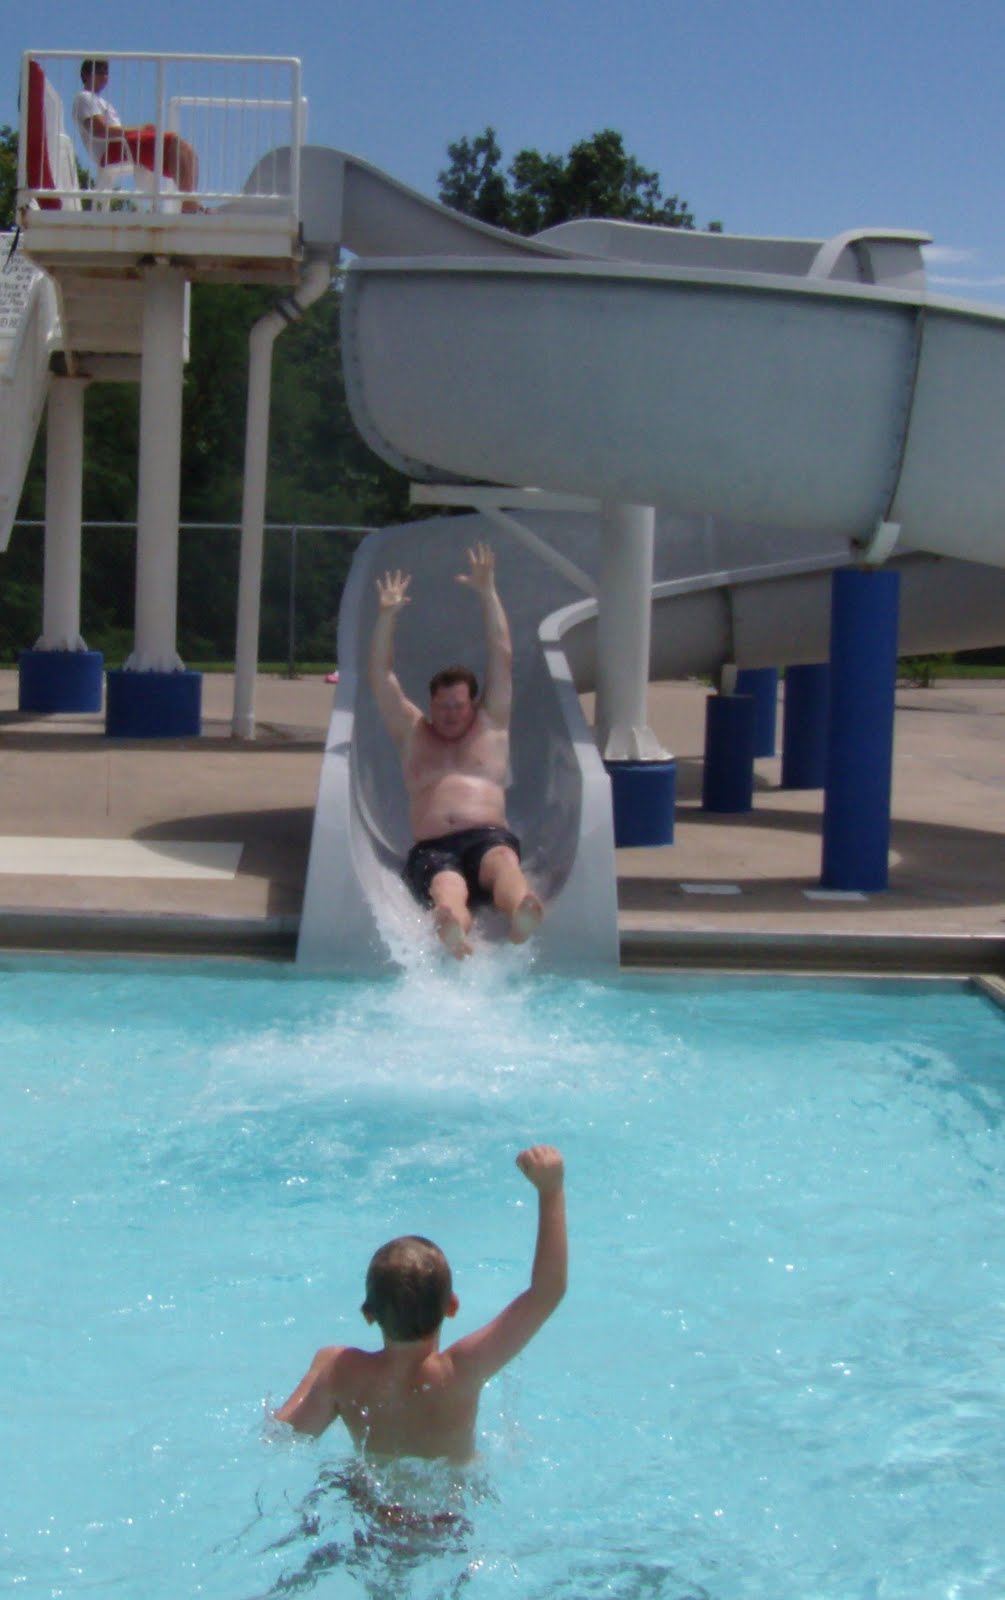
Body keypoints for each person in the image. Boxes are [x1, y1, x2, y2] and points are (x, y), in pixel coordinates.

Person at [274, 1144, 567, 1463]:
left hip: (372, 1507)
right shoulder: (461, 1370)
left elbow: (280, 1439)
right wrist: (550, 1191)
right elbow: (546, 1292)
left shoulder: (341, 1371)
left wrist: (320, 1371)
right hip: (447, 1513)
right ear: (452, 1306)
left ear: (368, 1313)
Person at [369, 542, 543, 959]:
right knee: (448, 887)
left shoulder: (490, 725)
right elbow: (381, 675)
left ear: (473, 703)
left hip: (487, 836)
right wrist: (387, 617)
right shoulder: (413, 731)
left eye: (458, 705)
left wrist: (488, 592)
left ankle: (521, 907)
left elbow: (501, 654)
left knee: (502, 861)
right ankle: (452, 926)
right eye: (442, 706)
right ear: (430, 704)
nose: (450, 714)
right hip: (433, 848)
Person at [72, 59, 201, 211]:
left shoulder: (100, 101)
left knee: (186, 149)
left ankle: (190, 203)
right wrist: (139, 130)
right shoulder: (85, 97)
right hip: (111, 150)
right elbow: (100, 129)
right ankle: (189, 206)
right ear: (86, 74)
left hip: (122, 146)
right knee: (174, 144)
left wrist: (142, 131)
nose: (104, 75)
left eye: (106, 71)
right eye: (99, 71)